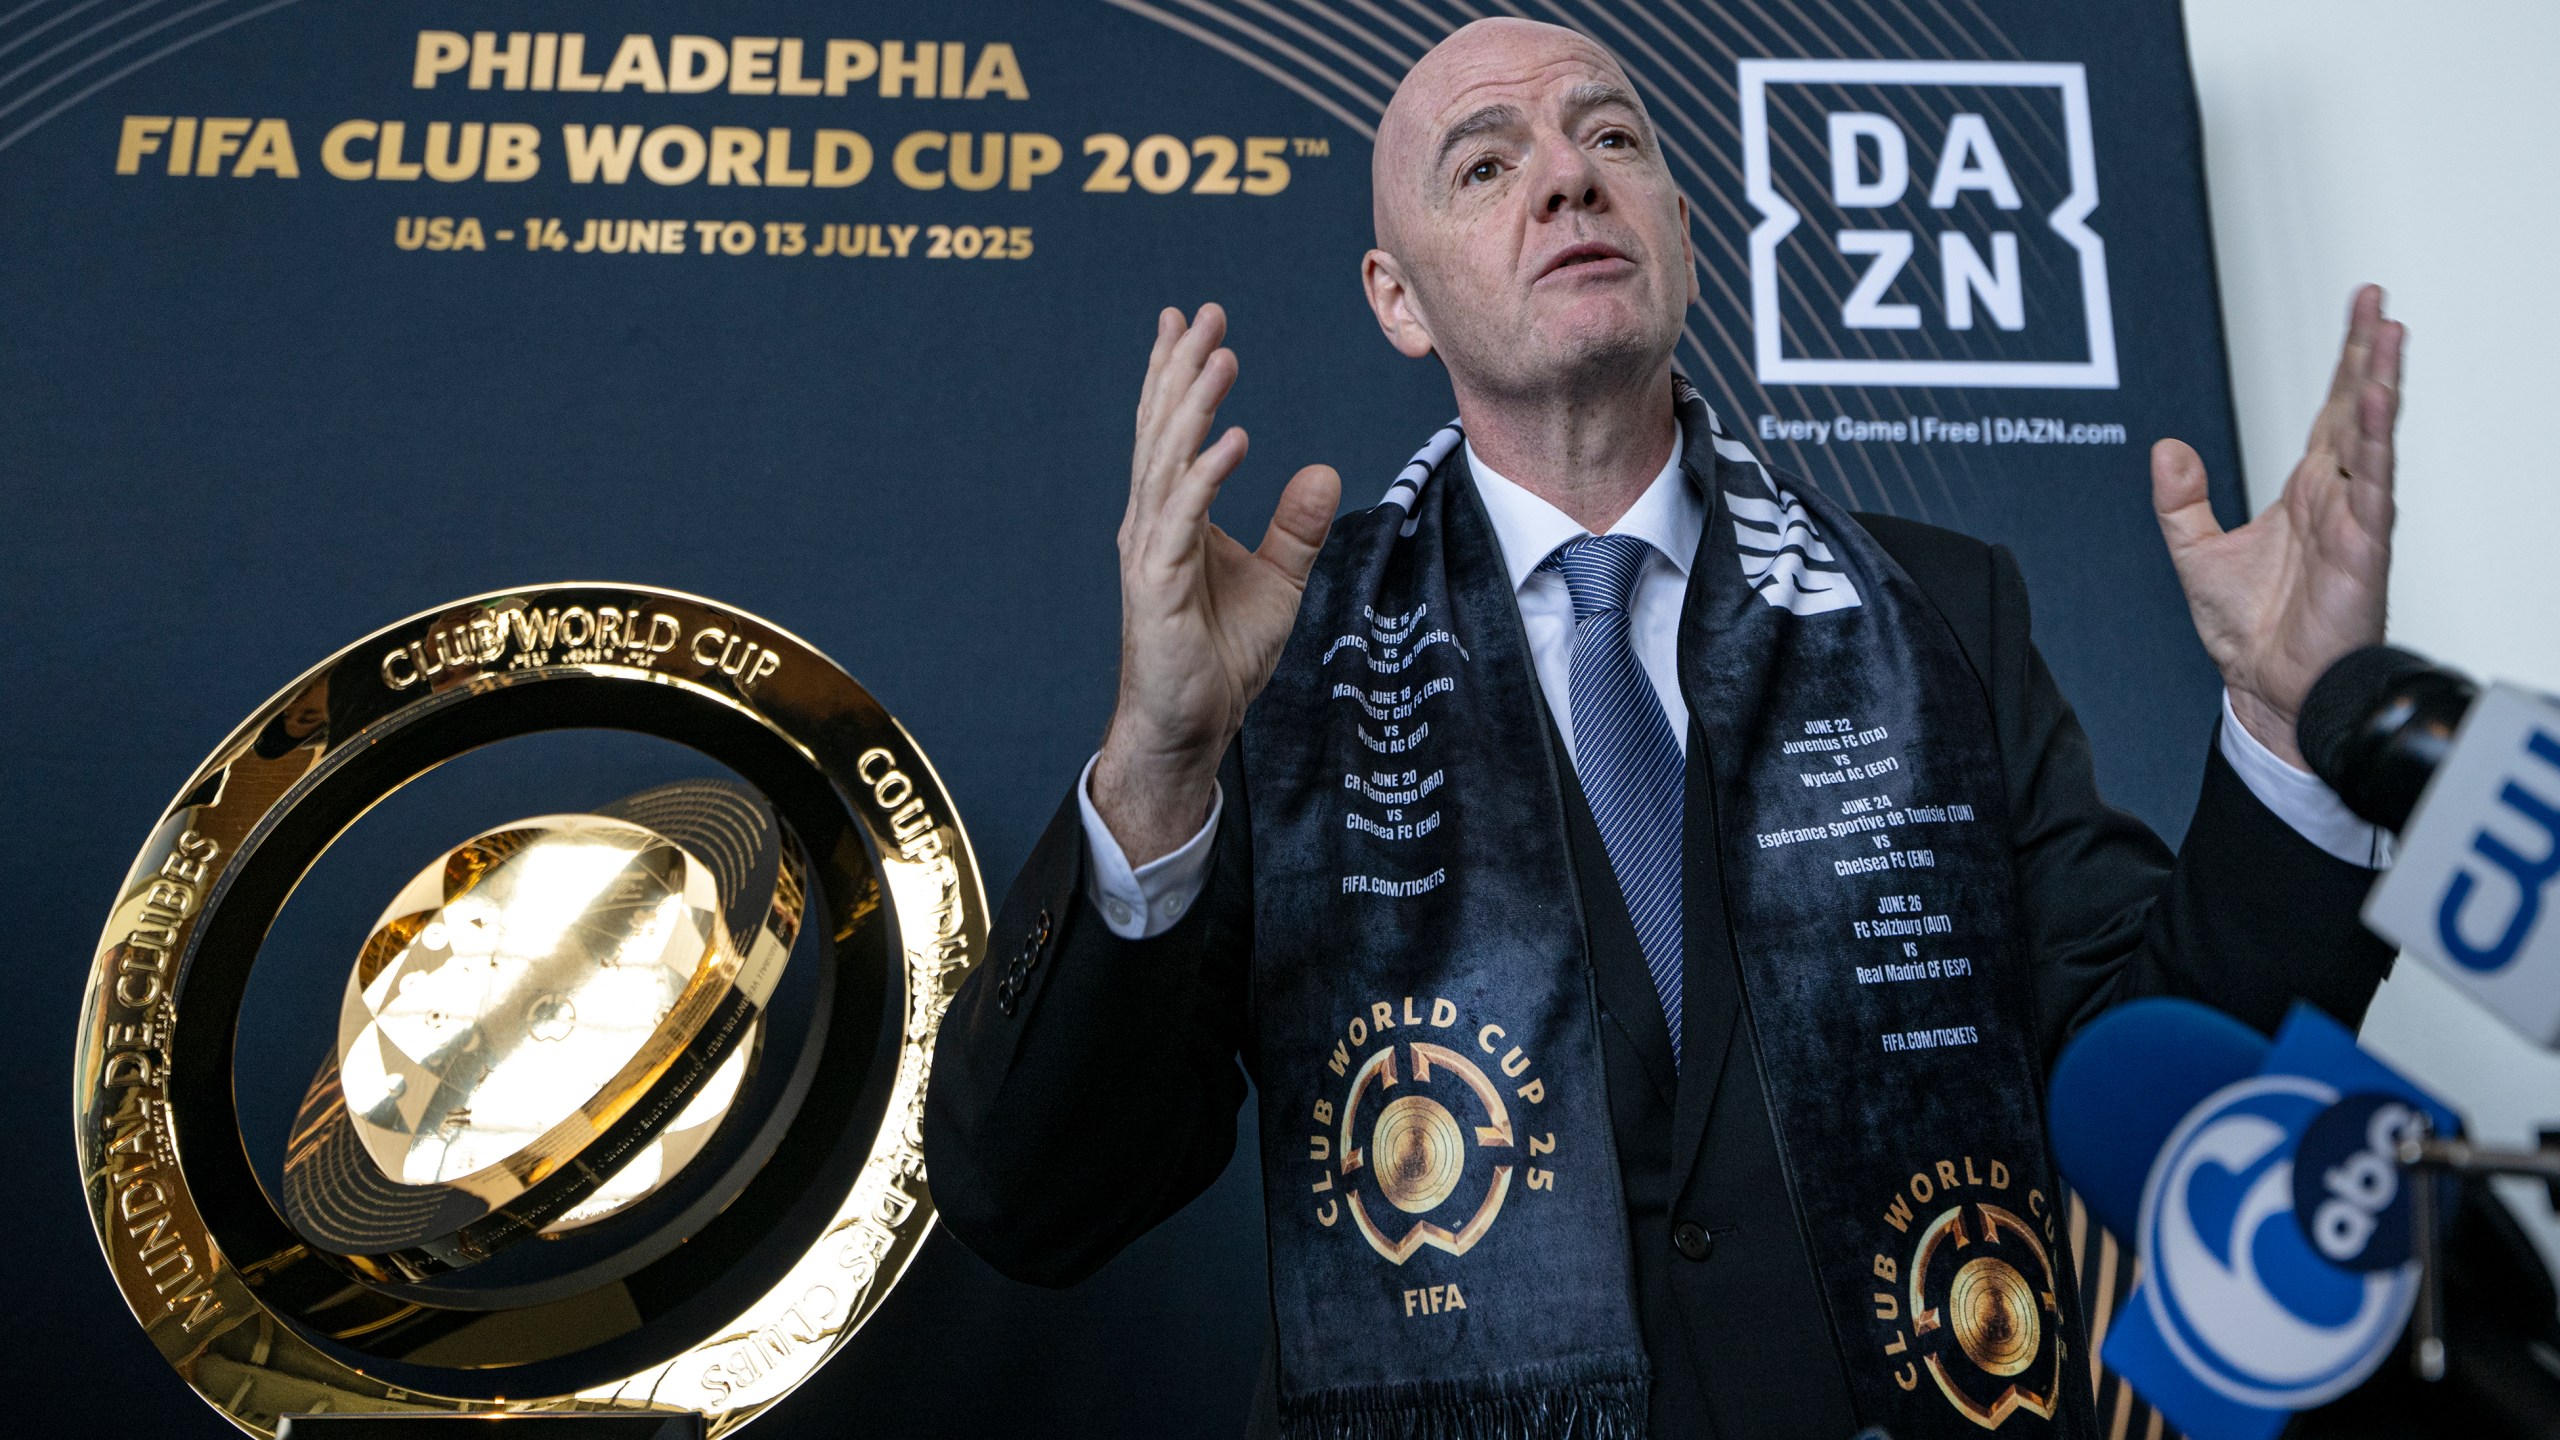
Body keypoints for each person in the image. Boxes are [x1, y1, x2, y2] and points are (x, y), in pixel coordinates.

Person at [924, 18, 2406, 1440]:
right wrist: (1159, 766)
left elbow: (2163, 1090)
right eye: (1487, 165)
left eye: (1611, 135)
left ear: (1684, 234)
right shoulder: (1277, 660)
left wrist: (2288, 727)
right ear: (1397, 297)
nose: (1567, 175)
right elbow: (1036, 1201)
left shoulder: (1942, 613)